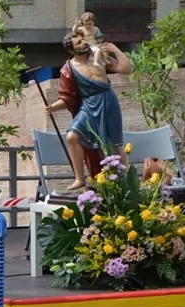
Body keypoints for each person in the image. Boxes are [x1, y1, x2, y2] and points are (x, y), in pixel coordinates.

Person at [45, 23, 133, 190]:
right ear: (72, 50)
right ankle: (80, 178)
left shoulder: (98, 57)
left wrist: (114, 49)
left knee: (115, 144)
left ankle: (125, 178)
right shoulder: (68, 69)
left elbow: (126, 69)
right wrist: (52, 107)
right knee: (72, 137)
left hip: (108, 102)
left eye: (83, 40)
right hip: (88, 105)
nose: (84, 43)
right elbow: (68, 98)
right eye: (79, 43)